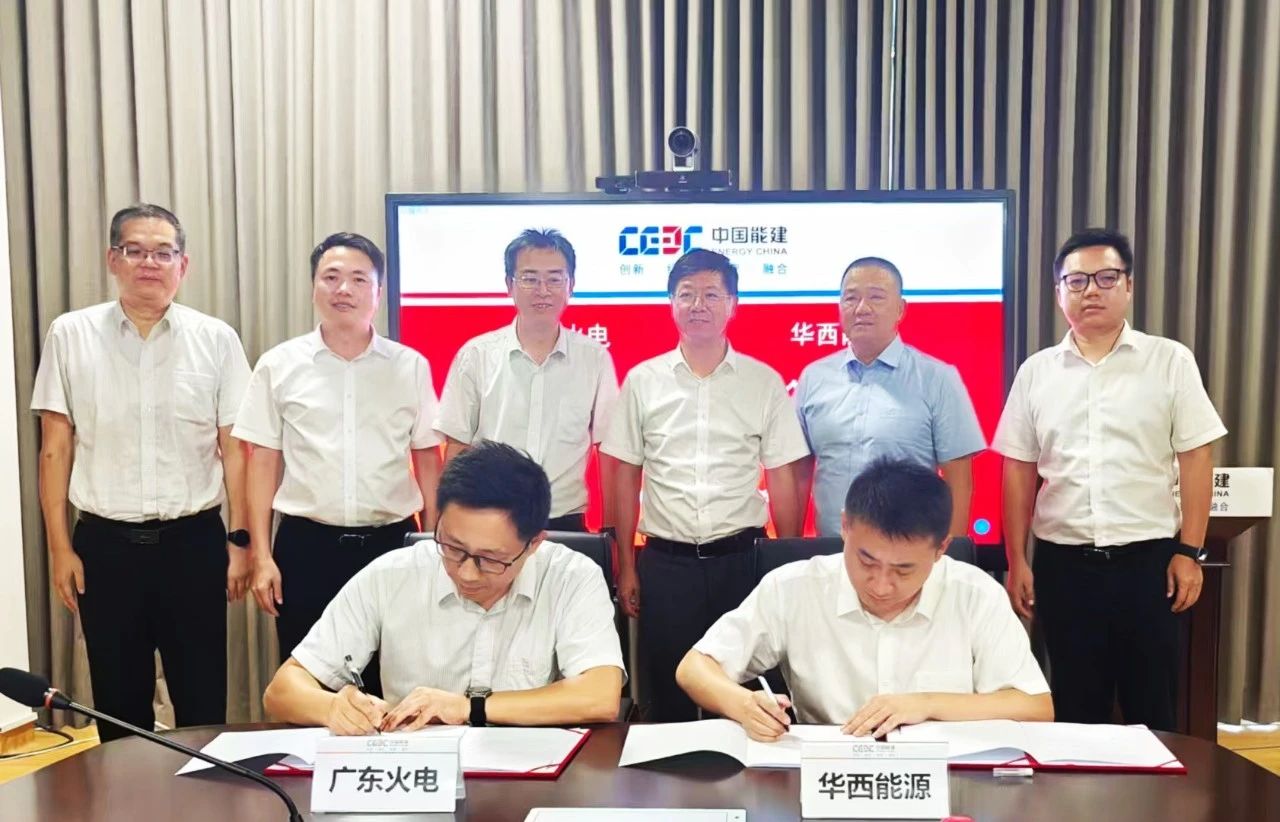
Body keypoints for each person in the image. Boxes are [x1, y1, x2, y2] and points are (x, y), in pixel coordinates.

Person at [31, 203, 252, 741]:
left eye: (163, 252)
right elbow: (55, 450)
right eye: (135, 250)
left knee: (203, 702)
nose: (149, 263)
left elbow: (236, 451)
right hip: (105, 550)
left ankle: (205, 791)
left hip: (193, 545)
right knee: (118, 705)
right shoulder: (70, 334)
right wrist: (60, 549)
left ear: (183, 265)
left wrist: (241, 542)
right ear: (113, 259)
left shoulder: (216, 339)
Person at [994, 227, 1226, 732]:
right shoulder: (1036, 372)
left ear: (1129, 285)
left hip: (1149, 564)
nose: (1091, 291)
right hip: (1063, 565)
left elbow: (1196, 457)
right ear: (1059, 292)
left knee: (1153, 706)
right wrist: (1017, 560)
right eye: (1076, 281)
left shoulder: (1169, 361)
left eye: (1106, 278)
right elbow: (1018, 469)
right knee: (1075, 708)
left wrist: (1190, 552)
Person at [676, 458, 1052, 740]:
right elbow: (694, 668)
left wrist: (925, 704)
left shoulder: (975, 595)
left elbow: (1035, 706)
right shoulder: (794, 588)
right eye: (866, 561)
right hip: (827, 778)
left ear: (941, 549)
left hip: (944, 783)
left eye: (904, 570)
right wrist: (743, 705)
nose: (881, 585)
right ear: (845, 526)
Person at [262, 441, 625, 733]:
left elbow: (600, 695)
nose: (467, 573)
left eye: (490, 559)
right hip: (418, 779)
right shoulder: (392, 575)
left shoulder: (571, 576)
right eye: (453, 547)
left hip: (534, 778)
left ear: (533, 544)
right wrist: (333, 708)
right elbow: (282, 690)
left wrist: (468, 708)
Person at [601, 248, 809, 721]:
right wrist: (627, 566)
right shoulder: (642, 381)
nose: (699, 305)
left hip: (743, 562)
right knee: (666, 697)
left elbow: (782, 476)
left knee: (745, 697)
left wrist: (784, 562)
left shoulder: (763, 381)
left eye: (712, 294)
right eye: (687, 294)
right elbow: (625, 473)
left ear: (732, 304)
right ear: (671, 303)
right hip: (665, 565)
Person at [234, 232, 443, 694]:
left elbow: (428, 461)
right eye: (331, 277)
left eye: (358, 279)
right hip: (306, 547)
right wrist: (262, 556)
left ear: (378, 292)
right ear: (314, 287)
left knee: (394, 679)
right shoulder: (279, 364)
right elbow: (262, 463)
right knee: (308, 682)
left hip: (392, 544)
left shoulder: (409, 365)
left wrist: (432, 546)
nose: (343, 289)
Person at [434, 229, 618, 532]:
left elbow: (609, 451)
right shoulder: (477, 355)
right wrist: (446, 529)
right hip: (489, 521)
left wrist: (612, 535)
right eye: (529, 278)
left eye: (554, 279)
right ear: (509, 284)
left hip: (565, 522)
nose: (542, 290)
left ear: (571, 285)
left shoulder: (594, 359)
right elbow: (457, 446)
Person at [795, 256, 985, 543]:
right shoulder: (814, 377)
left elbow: (959, 480)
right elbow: (798, 473)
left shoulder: (937, 378)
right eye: (851, 298)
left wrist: (950, 555)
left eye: (876, 297)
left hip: (907, 553)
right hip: (831, 550)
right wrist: (791, 547)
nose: (862, 308)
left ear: (900, 309)